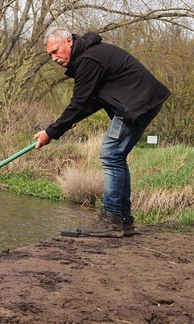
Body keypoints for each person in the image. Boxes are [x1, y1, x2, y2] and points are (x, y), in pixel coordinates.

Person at [33, 27, 170, 238]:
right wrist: (67, 122)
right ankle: (123, 220)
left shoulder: (88, 60)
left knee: (110, 154)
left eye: (55, 51)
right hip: (143, 102)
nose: (53, 58)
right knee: (116, 156)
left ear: (69, 42)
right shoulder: (89, 57)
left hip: (137, 103)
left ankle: (113, 219)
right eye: (50, 54)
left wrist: (51, 133)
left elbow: (79, 102)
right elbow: (92, 100)